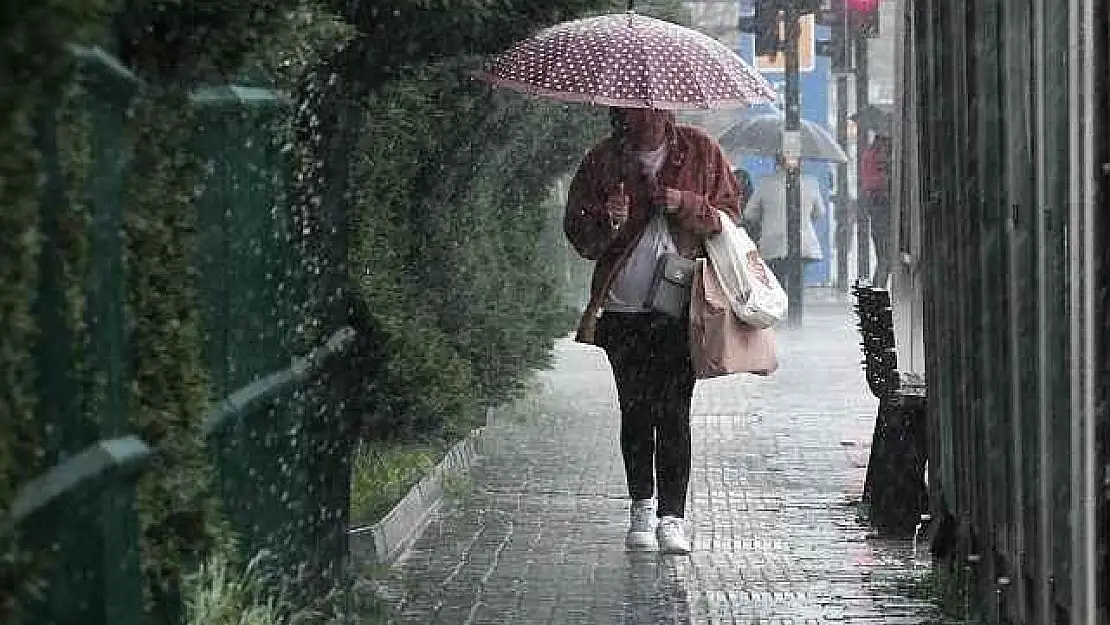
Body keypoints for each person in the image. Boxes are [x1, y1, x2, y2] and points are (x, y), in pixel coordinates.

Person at [563, 108, 741, 555]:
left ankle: (672, 518)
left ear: (668, 109)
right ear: (621, 113)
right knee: (636, 410)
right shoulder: (603, 161)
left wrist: (685, 204)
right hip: (623, 310)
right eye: (636, 109)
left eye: (655, 107)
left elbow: (729, 218)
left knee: (675, 411)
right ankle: (641, 508)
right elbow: (582, 238)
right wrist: (609, 219)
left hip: (682, 308)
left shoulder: (701, 151)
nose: (647, 116)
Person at [743, 154, 826, 285]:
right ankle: (794, 304)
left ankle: (783, 302)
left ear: (776, 161)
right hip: (803, 243)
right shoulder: (810, 182)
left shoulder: (765, 183)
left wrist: (765, 220)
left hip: (773, 243)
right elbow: (820, 212)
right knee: (797, 284)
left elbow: (749, 214)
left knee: (777, 284)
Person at [860, 133, 892, 287]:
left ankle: (877, 293)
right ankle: (877, 293)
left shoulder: (869, 155)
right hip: (882, 209)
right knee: (886, 259)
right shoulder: (878, 157)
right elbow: (877, 182)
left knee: (883, 259)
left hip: (876, 209)